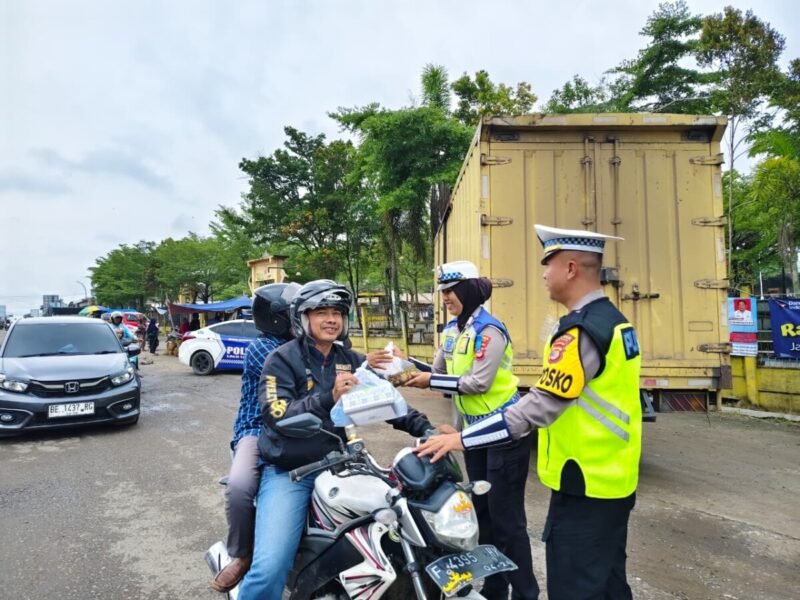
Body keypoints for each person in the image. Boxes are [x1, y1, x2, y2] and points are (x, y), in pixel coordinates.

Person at [416, 225, 642, 600]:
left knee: (576, 586)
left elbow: (537, 407)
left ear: (570, 268)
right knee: (608, 583)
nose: (543, 274)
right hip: (613, 477)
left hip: (583, 479)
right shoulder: (615, 321)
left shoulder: (580, 331)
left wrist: (461, 438)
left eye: (547, 263)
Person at [237, 279, 437, 600]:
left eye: (337, 313)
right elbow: (278, 414)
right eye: (322, 312)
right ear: (302, 318)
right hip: (292, 472)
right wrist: (328, 396)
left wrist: (427, 429)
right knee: (270, 567)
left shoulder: (352, 359)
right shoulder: (281, 359)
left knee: (402, 527)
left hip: (342, 466)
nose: (331, 319)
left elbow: (383, 400)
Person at [400, 259, 538, 600]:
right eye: (443, 291)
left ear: (470, 290)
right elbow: (436, 374)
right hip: (473, 437)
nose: (446, 297)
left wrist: (431, 379)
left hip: (504, 433)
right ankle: (495, 588)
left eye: (452, 291)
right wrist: (400, 364)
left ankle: (525, 593)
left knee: (508, 521)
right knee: (483, 516)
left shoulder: (489, 330)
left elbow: (477, 383)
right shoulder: (451, 331)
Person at [209, 282, 301, 594]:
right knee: (239, 487)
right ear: (278, 318)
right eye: (295, 314)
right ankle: (242, 554)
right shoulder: (265, 349)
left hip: (301, 429)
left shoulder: (304, 344)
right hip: (257, 430)